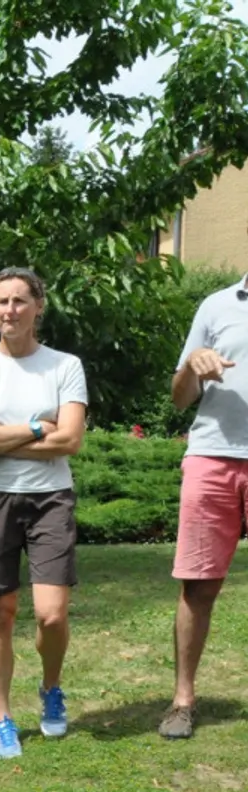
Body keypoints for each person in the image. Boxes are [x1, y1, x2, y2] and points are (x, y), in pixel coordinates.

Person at [0, 266, 89, 759]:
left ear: (38, 308)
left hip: (52, 497)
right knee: (0, 614)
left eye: (19, 301)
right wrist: (36, 428)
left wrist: (0, 437)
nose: (9, 310)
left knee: (51, 615)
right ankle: (2, 717)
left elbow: (70, 440)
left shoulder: (64, 366)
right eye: (1, 301)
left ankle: (51, 687)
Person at [159, 272, 248, 739]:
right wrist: (192, 365)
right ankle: (182, 701)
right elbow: (179, 399)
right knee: (198, 586)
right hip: (212, 457)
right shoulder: (216, 306)